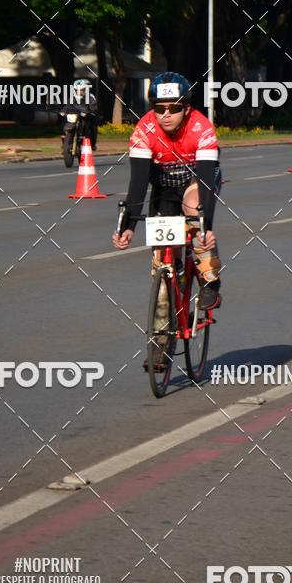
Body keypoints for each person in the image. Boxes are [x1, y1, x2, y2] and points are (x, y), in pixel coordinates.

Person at [112, 72, 223, 369]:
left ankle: (210, 276)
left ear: (187, 108)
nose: (165, 115)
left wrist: (206, 227)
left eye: (173, 108)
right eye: (159, 108)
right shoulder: (144, 130)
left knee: (194, 207)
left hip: (197, 180)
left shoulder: (202, 128)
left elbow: (204, 184)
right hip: (163, 185)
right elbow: (137, 184)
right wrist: (127, 228)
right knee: (162, 260)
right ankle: (161, 342)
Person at [61, 78, 99, 149]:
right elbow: (67, 106)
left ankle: (93, 143)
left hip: (86, 116)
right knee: (64, 121)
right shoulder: (72, 97)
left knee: (93, 123)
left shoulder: (90, 97)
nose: (79, 92)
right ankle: (65, 142)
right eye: (77, 90)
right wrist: (63, 111)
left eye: (81, 90)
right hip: (75, 116)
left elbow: (94, 107)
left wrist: (90, 110)